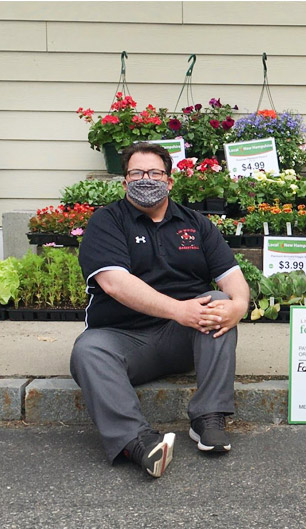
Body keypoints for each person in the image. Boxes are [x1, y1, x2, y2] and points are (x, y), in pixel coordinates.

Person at [70, 142, 249, 478]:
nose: (145, 179)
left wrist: (238, 306)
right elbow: (115, 283)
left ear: (169, 181)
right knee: (88, 350)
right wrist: (178, 310)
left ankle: (208, 419)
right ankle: (138, 442)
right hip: (124, 339)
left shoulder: (196, 224)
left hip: (184, 339)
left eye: (154, 173)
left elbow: (232, 277)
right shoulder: (107, 222)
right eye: (137, 173)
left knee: (219, 301)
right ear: (125, 181)